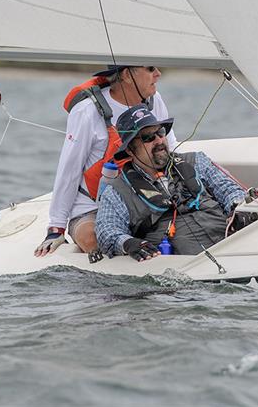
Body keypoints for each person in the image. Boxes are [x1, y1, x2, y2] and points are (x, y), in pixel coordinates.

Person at [34, 65, 177, 257]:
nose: (158, 74)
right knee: (94, 238)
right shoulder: (86, 110)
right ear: (127, 75)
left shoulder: (154, 101)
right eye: (150, 69)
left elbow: (171, 151)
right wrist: (56, 228)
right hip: (93, 208)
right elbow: (69, 169)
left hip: (147, 203)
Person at [94, 104, 246, 261]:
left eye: (160, 132)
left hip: (233, 247)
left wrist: (238, 208)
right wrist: (128, 243)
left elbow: (230, 190)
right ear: (130, 150)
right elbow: (107, 231)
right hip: (182, 265)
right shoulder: (117, 192)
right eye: (148, 138)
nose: (159, 141)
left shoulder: (197, 161)